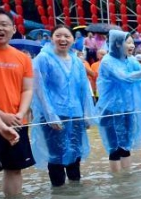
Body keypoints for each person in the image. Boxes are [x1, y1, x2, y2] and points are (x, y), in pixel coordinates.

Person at [30, 25, 95, 187]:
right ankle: (58, 194)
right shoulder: (43, 59)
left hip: (76, 114)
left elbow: (84, 89)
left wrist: (87, 113)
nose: (63, 39)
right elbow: (39, 89)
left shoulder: (77, 61)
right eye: (58, 35)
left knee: (75, 153)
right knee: (56, 156)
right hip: (54, 115)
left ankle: (74, 195)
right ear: (51, 38)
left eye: (67, 36)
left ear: (73, 40)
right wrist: (50, 115)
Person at [0, 7, 35, 199]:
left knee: (15, 167)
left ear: (13, 28)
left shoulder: (22, 57)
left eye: (4, 24)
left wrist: (20, 113)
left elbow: (27, 89)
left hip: (17, 121)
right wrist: (3, 116)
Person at [95, 30, 141, 172]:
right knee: (114, 148)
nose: (132, 45)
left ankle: (126, 180)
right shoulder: (107, 61)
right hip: (111, 110)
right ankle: (117, 180)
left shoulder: (130, 60)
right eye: (129, 42)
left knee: (126, 145)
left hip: (127, 108)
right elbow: (126, 77)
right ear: (118, 44)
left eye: (133, 42)